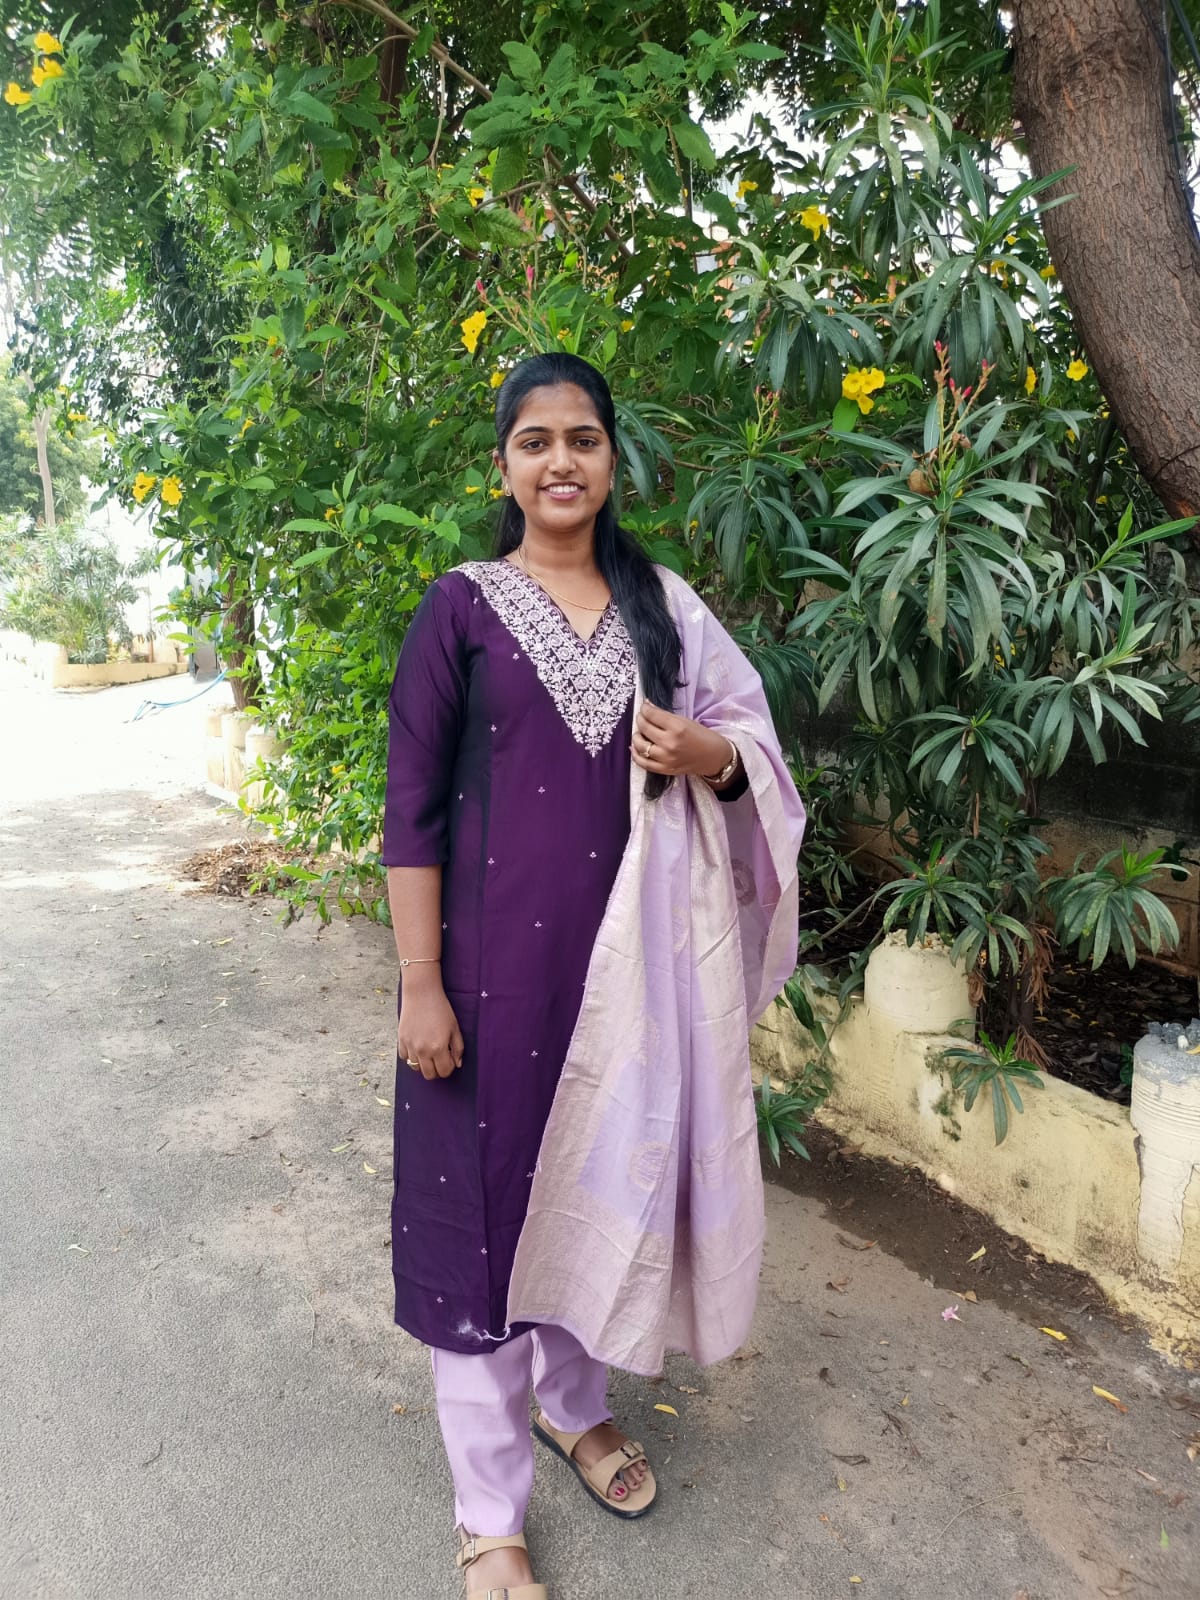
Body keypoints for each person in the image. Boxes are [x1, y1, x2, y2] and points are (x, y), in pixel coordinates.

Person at [382, 352, 805, 1598]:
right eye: (535, 440)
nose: (560, 460)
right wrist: (420, 983)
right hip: (484, 985)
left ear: (613, 461)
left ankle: (574, 1407)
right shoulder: (460, 608)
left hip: (631, 989)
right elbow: (410, 814)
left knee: (597, 1201)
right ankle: (488, 1516)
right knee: (483, 1231)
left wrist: (711, 751)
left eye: (583, 439)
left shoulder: (663, 608)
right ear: (502, 465)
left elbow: (751, 749)